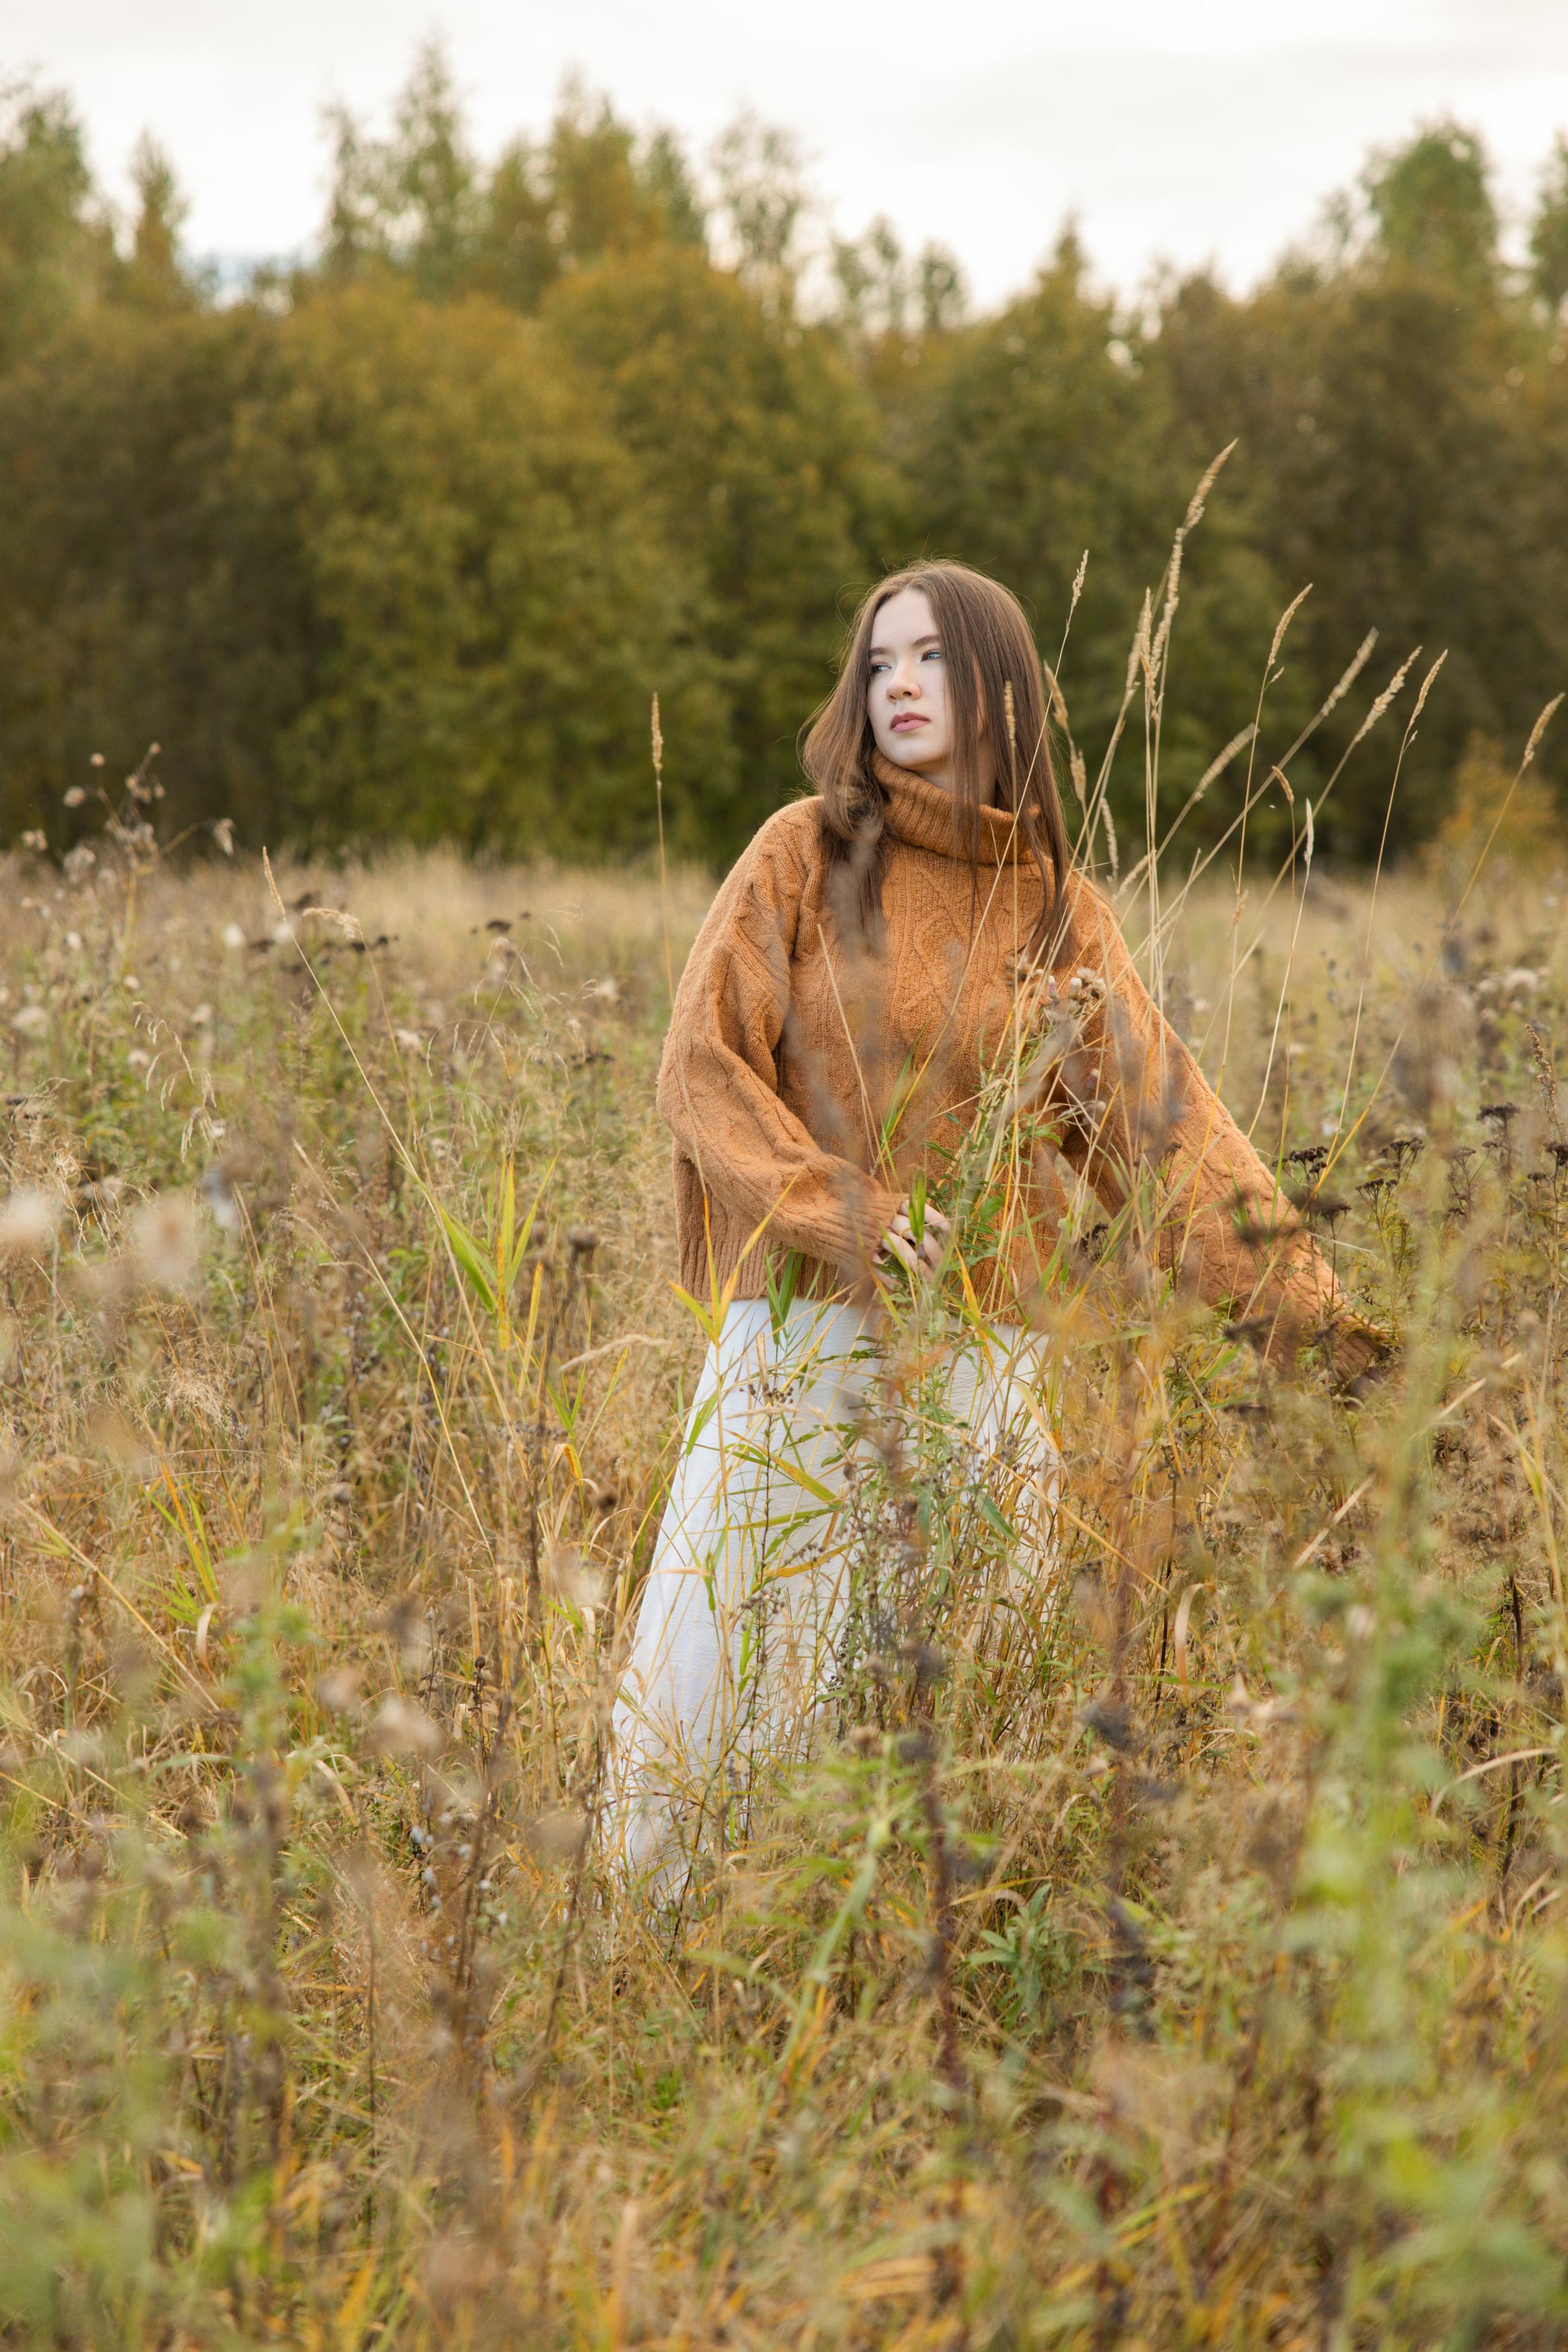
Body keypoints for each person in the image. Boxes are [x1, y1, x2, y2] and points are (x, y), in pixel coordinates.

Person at [609, 560, 1372, 1884]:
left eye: (931, 660)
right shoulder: (804, 849)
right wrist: (829, 1208)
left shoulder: (1055, 906)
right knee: (744, 1654)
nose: (898, 686)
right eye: (878, 663)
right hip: (802, 1340)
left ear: (999, 681)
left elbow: (1163, 1131)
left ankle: (893, 1949)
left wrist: (1319, 1326)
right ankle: (687, 1936)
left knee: (937, 1681)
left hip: (975, 1351)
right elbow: (699, 1067)